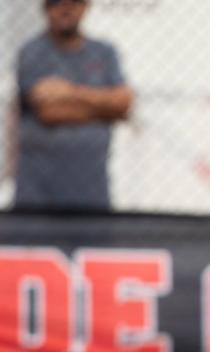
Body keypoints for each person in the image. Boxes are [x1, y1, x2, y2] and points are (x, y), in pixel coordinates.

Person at [14, 0, 133, 211]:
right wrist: (105, 110)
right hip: (39, 194)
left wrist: (69, 91)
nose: (66, 8)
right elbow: (49, 111)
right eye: (57, 2)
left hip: (91, 190)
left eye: (75, 2)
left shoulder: (104, 53)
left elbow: (124, 103)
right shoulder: (32, 52)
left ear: (86, 7)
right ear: (45, 7)